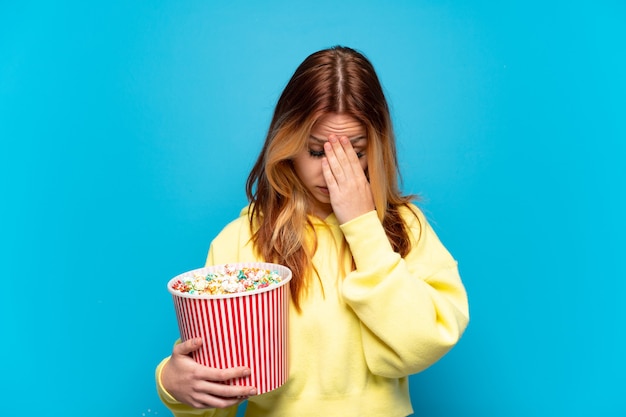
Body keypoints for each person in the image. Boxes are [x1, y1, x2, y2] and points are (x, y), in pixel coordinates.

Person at [156, 45, 469, 417]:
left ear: (377, 147)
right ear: (288, 142)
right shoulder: (241, 240)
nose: (333, 170)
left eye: (355, 151)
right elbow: (217, 390)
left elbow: (423, 342)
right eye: (318, 151)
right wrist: (172, 383)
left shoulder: (405, 227)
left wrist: (363, 227)